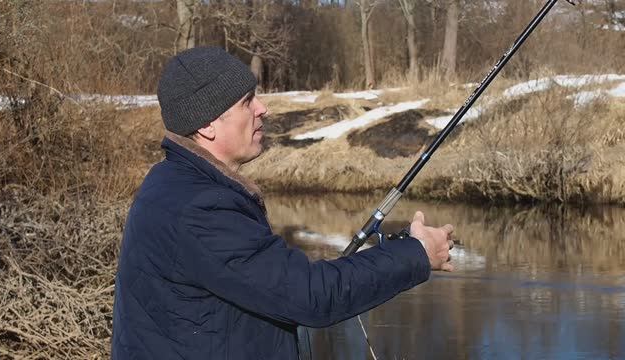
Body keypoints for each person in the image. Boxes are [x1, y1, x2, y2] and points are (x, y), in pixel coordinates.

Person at [111, 46, 455, 359]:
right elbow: (310, 297)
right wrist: (417, 253)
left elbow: (271, 283)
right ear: (208, 124)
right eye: (247, 101)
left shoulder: (173, 183)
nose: (263, 109)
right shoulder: (199, 209)